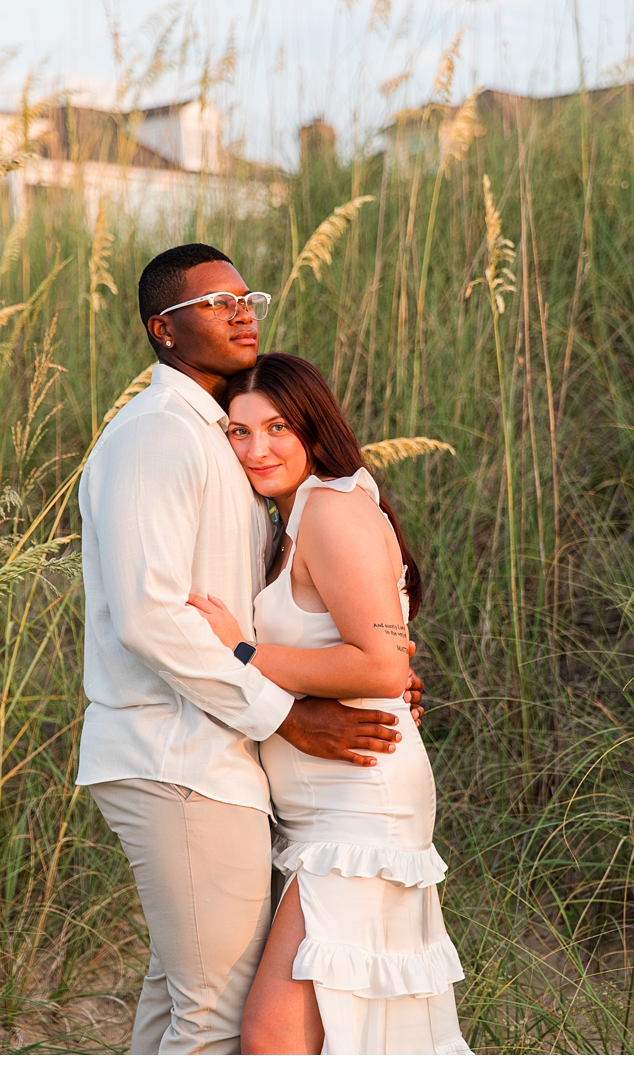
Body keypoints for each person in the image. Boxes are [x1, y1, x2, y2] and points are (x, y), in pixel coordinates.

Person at [77, 244, 421, 1054]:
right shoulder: (160, 433)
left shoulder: (220, 438)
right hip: (177, 755)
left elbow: (265, 619)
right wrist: (284, 716)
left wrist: (372, 671)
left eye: (246, 296)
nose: (242, 311)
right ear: (163, 330)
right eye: (215, 301)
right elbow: (151, 618)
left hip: (210, 757)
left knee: (178, 1008)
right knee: (217, 1020)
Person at [186, 353, 470, 1054]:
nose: (256, 450)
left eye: (277, 427)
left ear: (314, 428)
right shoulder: (289, 519)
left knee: (273, 1037)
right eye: (238, 432)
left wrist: (243, 652)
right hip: (323, 806)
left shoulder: (332, 510)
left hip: (360, 803)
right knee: (346, 1032)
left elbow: (380, 663)